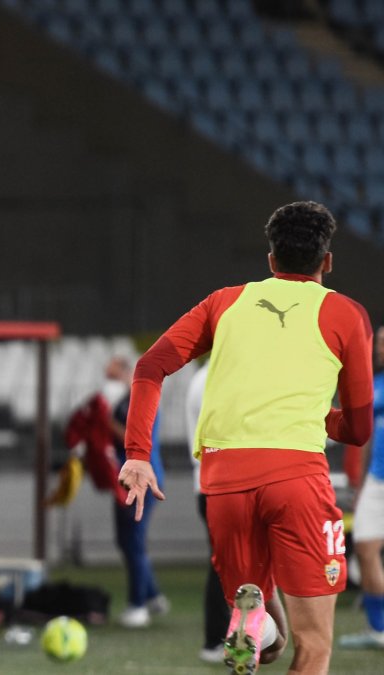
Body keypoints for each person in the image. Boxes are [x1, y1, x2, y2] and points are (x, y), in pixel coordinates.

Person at [118, 201, 374, 674]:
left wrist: (137, 454)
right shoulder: (346, 314)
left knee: (269, 644)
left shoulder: (224, 303)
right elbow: (358, 430)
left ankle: (257, 623)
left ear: (271, 260)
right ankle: (256, 621)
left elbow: (149, 367)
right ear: (327, 260)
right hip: (297, 479)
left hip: (224, 485)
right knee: (314, 646)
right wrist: (321, 417)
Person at [105, 356, 169, 629]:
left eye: (112, 374)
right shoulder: (124, 400)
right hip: (127, 477)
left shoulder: (141, 398)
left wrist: (105, 423)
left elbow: (135, 437)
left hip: (141, 478)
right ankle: (152, 595)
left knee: (134, 541)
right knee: (126, 540)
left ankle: (138, 604)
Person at [339, 324, 384, 650]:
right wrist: (361, 478)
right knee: (365, 550)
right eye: (379, 342)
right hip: (376, 480)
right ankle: (378, 629)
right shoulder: (375, 385)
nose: (380, 348)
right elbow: (366, 435)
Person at [184, 360, 232, 662]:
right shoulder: (210, 379)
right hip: (216, 485)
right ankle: (216, 639)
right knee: (224, 563)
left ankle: (223, 638)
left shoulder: (211, 376)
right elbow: (218, 437)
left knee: (228, 562)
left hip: (214, 483)